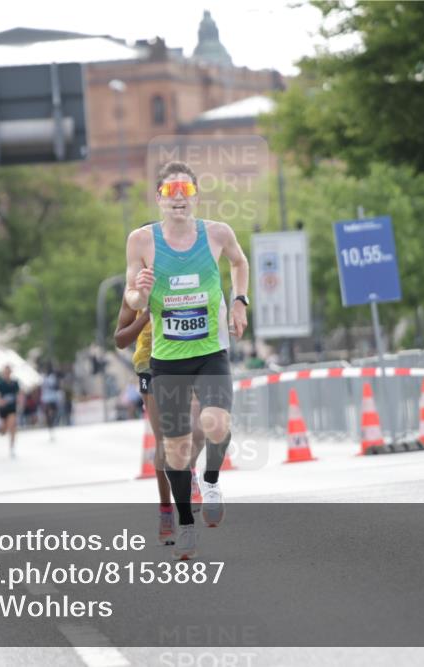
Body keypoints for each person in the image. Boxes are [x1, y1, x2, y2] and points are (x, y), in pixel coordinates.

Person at [124, 160, 249, 559]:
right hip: (168, 358)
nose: (179, 199)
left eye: (186, 191)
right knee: (176, 451)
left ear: (195, 195)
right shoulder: (142, 241)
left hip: (211, 350)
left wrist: (240, 302)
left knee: (216, 423)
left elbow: (239, 262)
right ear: (158, 197)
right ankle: (186, 524)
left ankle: (210, 479)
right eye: (170, 192)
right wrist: (140, 292)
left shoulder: (216, 233)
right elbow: (131, 297)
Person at [115, 300, 206, 545]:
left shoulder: (185, 273)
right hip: (151, 366)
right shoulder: (134, 291)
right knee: (165, 443)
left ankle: (190, 469)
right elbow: (120, 340)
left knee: (198, 431)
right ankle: (167, 511)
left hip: (188, 358)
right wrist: (145, 315)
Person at [0, 365, 21, 458]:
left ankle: (12, 447)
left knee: (12, 426)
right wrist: (0, 401)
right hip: (3, 408)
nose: (7, 374)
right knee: (4, 429)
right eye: (6, 372)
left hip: (12, 408)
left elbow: (19, 394)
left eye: (9, 372)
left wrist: (19, 401)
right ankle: (2, 429)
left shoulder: (15, 383)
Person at [41, 366, 61, 441]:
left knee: (52, 414)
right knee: (51, 414)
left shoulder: (44, 378)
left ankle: (51, 425)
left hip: (49, 398)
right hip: (50, 398)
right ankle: (51, 426)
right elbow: (56, 387)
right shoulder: (51, 378)